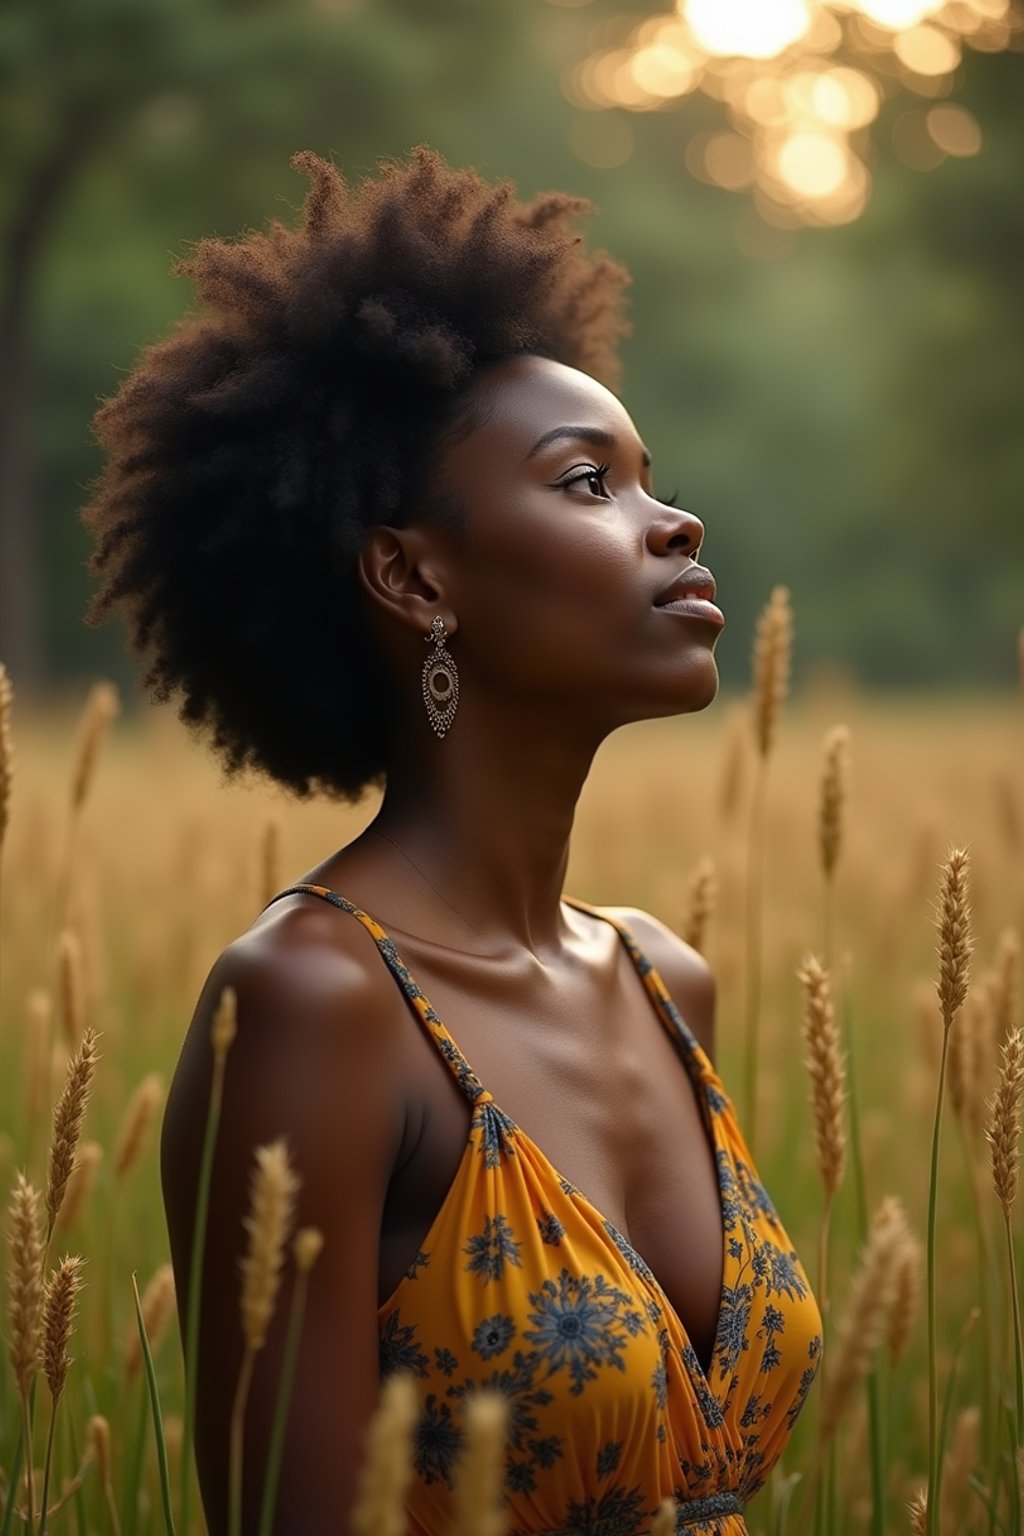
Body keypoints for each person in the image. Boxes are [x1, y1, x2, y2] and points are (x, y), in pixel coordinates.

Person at [83, 148, 821, 1536]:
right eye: (589, 482)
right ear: (413, 575)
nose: (677, 521)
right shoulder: (318, 1005)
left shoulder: (668, 983)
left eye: (650, 476)